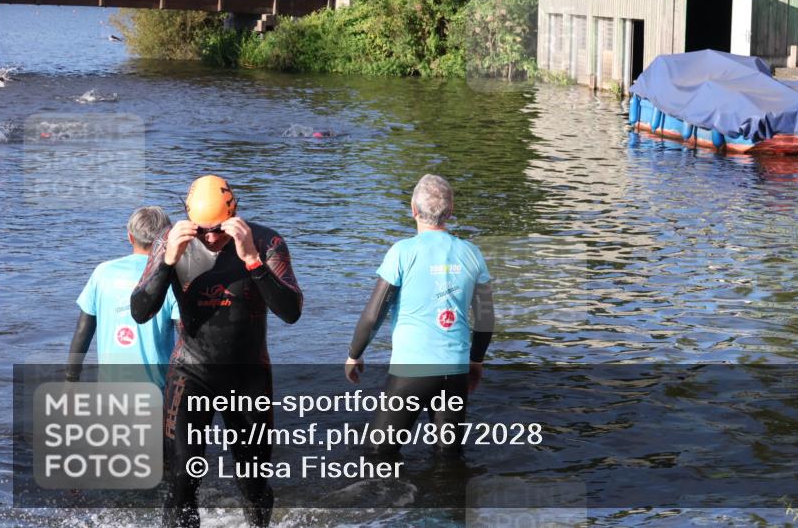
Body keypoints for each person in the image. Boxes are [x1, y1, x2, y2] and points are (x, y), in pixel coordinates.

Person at [131, 175, 303, 528]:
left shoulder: (266, 241)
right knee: (181, 480)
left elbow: (291, 312)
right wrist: (167, 264)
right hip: (191, 373)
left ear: (234, 212)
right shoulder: (170, 241)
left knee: (252, 481)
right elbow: (140, 311)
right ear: (188, 217)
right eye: (202, 229)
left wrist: (253, 261)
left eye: (218, 228)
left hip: (248, 376)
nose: (210, 237)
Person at [345, 174, 495, 457]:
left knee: (378, 454)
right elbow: (486, 318)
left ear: (413, 210)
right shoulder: (472, 253)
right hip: (455, 370)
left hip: (410, 372)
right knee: (448, 457)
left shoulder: (402, 252)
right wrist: (476, 360)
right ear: (449, 212)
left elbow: (373, 315)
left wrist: (354, 354)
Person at [66, 207, 180, 389]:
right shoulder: (171, 278)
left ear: (130, 237)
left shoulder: (102, 272)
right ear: (166, 239)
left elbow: (82, 331)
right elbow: (187, 339)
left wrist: (71, 378)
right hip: (157, 392)